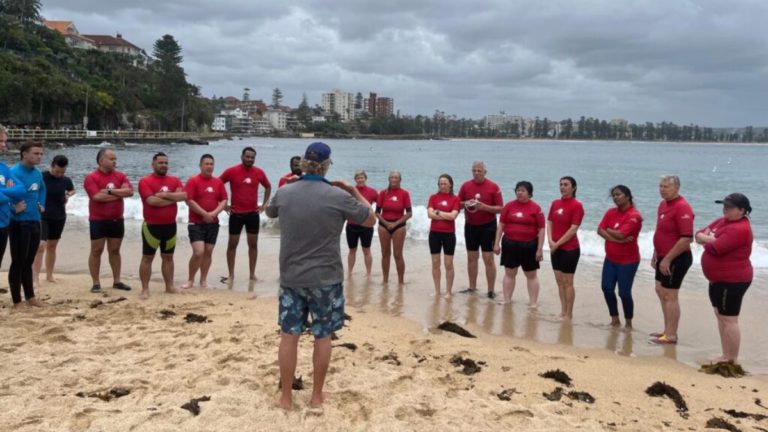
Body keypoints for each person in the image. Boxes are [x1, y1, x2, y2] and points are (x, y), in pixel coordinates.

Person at [265, 142, 376, 409]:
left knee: (289, 336)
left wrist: (288, 185)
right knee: (322, 336)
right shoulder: (338, 196)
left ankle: (286, 397)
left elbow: (269, 211)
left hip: (292, 277)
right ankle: (316, 396)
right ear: (326, 166)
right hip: (326, 279)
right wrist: (352, 190)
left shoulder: (285, 191)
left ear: (304, 163)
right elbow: (371, 219)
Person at [695, 193, 753, 364]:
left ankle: (731, 359)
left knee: (729, 319)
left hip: (733, 280)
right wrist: (708, 238)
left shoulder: (740, 228)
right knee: (720, 315)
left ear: (742, 210)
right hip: (717, 280)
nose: (725, 209)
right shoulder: (723, 221)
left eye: (729, 207)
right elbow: (697, 234)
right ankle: (725, 354)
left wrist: (707, 239)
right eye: (724, 206)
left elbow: (716, 248)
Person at [650, 175, 694, 345]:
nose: (662, 189)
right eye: (660, 186)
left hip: (677, 257)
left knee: (670, 295)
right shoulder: (663, 204)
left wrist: (667, 259)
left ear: (677, 188)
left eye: (666, 187)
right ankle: (666, 330)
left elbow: (686, 238)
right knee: (660, 291)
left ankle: (671, 335)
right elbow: (661, 230)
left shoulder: (682, 207)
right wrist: (656, 253)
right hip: (662, 256)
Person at [84, 148, 134, 293]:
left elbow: (130, 192)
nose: (115, 162)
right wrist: (119, 194)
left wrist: (110, 191)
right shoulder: (91, 177)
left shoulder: (121, 175)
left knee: (115, 250)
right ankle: (96, 283)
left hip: (117, 219)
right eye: (111, 159)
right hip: (98, 220)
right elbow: (97, 197)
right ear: (101, 161)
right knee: (96, 250)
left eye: (115, 159)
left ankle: (117, 281)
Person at [138, 152, 187, 299]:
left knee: (168, 257)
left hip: (170, 226)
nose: (163, 165)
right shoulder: (145, 181)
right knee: (147, 258)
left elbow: (184, 196)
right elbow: (152, 201)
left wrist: (164, 195)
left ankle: (169, 287)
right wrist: (173, 197)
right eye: (160, 163)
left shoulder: (174, 180)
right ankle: (145, 289)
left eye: (166, 163)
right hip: (151, 227)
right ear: (153, 164)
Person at [219, 147, 271, 283]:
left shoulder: (259, 172)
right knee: (232, 245)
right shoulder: (231, 171)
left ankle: (252, 275)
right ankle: (231, 275)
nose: (249, 159)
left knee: (253, 245)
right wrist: (223, 204)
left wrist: (264, 205)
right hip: (236, 214)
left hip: (253, 214)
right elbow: (218, 184)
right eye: (247, 157)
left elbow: (268, 186)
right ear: (242, 157)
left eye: (252, 157)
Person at [597, 185, 643, 329]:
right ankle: (615, 320)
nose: (615, 197)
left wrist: (609, 230)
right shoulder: (610, 212)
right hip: (610, 259)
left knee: (624, 293)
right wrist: (616, 239)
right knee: (606, 288)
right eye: (614, 195)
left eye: (618, 194)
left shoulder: (634, 216)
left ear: (627, 196)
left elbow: (621, 234)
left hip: (628, 261)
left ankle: (628, 324)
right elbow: (599, 230)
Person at [493, 181, 545, 307]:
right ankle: (507, 299)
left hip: (529, 245)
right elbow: (501, 226)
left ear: (529, 193)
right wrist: (496, 243)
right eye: (518, 190)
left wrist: (539, 249)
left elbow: (541, 229)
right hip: (510, 244)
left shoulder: (536, 208)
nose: (519, 192)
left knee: (531, 275)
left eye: (523, 190)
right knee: (509, 273)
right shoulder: (509, 206)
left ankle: (533, 303)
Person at [180, 154, 227, 289]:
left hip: (213, 223)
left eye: (211, 164)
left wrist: (214, 213)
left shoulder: (218, 182)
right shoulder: (193, 180)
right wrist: (204, 214)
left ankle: (203, 281)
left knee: (208, 251)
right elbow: (189, 200)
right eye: (206, 164)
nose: (209, 166)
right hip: (196, 223)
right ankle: (190, 280)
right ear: (200, 166)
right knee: (198, 252)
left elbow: (224, 200)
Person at [8, 142, 46, 308]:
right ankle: (17, 301)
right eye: (36, 153)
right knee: (18, 261)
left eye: (41, 154)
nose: (39, 157)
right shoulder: (13, 172)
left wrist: (41, 203)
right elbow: (3, 194)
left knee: (29, 261)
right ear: (24, 154)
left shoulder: (37, 173)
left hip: (35, 220)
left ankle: (30, 297)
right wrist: (13, 208)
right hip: (18, 222)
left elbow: (42, 190)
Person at [458, 161, 503, 299]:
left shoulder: (493, 186)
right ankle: (472, 287)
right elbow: (457, 204)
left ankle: (491, 291)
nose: (476, 173)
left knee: (488, 258)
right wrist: (466, 203)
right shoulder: (466, 186)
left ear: (485, 172)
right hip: (470, 226)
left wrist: (484, 207)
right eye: (474, 170)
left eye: (479, 170)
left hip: (488, 226)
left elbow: (501, 208)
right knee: (472, 258)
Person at [32, 155, 75, 288]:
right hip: (42, 216)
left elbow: (72, 190)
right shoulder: (42, 176)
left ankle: (49, 275)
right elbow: (32, 190)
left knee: (52, 246)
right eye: (57, 171)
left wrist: (68, 195)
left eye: (63, 172)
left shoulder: (66, 179)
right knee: (41, 246)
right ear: (52, 165)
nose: (60, 174)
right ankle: (35, 278)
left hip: (59, 216)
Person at [547, 176, 584, 320]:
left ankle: (569, 313)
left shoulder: (577, 205)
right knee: (559, 281)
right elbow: (549, 222)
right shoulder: (555, 203)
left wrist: (557, 244)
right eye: (561, 184)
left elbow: (573, 229)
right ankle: (562, 311)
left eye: (566, 184)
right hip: (555, 248)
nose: (562, 187)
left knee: (568, 282)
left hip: (570, 249)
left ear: (573, 188)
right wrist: (550, 240)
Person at [0, 127, 27, 303]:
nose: (4, 145)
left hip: (3, 224)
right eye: (0, 141)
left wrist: (4, 194)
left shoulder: (3, 168)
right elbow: (10, 194)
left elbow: (21, 190)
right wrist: (8, 193)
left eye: (4, 141)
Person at [427, 174, 461, 297]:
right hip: (434, 234)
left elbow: (453, 216)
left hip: (449, 235)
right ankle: (437, 291)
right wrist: (445, 215)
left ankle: (448, 291)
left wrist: (438, 212)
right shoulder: (433, 197)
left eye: (445, 183)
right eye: (440, 183)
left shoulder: (455, 199)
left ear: (450, 184)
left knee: (448, 264)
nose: (442, 185)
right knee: (435, 263)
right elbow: (430, 215)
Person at [376, 171, 412, 285]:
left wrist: (395, 224)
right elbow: (377, 212)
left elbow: (409, 213)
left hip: (399, 226)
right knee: (385, 253)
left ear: (400, 180)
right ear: (389, 179)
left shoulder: (404, 193)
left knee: (398, 254)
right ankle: (385, 280)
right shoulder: (383, 193)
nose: (393, 179)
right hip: (384, 225)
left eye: (396, 177)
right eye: (391, 177)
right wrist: (386, 223)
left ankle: (401, 282)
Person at [346, 170, 377, 277]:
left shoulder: (372, 191)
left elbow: (381, 204)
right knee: (352, 250)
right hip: (351, 225)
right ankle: (350, 272)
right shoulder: (349, 191)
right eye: (358, 178)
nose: (360, 180)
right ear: (355, 179)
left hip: (367, 225)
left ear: (365, 178)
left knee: (366, 250)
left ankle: (368, 273)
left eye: (362, 177)